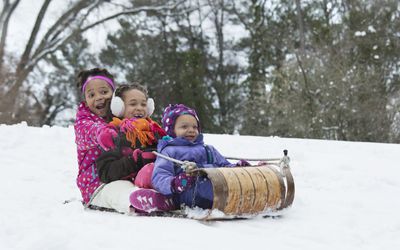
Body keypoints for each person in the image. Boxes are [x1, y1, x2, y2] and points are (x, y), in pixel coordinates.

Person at [129, 104, 250, 212]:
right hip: (187, 192)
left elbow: (225, 166)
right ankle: (167, 201)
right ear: (172, 131)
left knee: (223, 181)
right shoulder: (169, 151)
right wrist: (175, 183)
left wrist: (238, 168)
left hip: (215, 184)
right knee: (205, 184)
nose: (191, 130)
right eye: (184, 126)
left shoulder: (208, 149)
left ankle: (248, 192)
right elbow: (159, 177)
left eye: (195, 127)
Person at [95, 83, 167, 189]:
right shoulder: (113, 135)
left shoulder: (156, 132)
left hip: (157, 180)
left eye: (143, 104)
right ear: (119, 107)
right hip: (127, 186)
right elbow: (105, 173)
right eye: (133, 104)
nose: (139, 108)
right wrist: (135, 160)